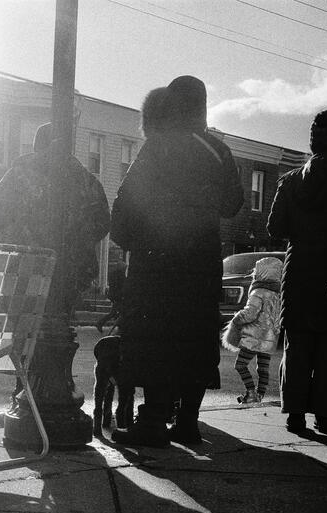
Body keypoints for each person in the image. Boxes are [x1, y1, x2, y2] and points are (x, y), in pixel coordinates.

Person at [110, 76, 244, 447]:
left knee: (156, 337)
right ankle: (188, 421)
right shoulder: (218, 151)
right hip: (201, 260)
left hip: (156, 261)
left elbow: (125, 204)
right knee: (195, 337)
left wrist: (129, 241)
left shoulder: (157, 147)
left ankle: (152, 421)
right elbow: (233, 205)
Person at [0, 121, 110, 420]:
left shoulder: (21, 171)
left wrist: (18, 239)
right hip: (71, 271)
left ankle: (23, 400)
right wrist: (76, 246)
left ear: (37, 144)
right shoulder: (85, 178)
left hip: (28, 266)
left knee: (26, 334)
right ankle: (56, 392)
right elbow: (103, 221)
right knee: (59, 331)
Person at [267, 110, 327, 435]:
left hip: (298, 272)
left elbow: (274, 227)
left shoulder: (290, 181)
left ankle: (295, 415)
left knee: (297, 348)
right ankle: (325, 414)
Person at [221, 257, 282, 407]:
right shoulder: (278, 293)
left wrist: (236, 319)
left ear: (262, 272)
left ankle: (251, 392)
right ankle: (259, 395)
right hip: (270, 337)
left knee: (240, 365)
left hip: (253, 337)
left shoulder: (258, 291)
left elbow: (250, 312)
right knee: (263, 368)